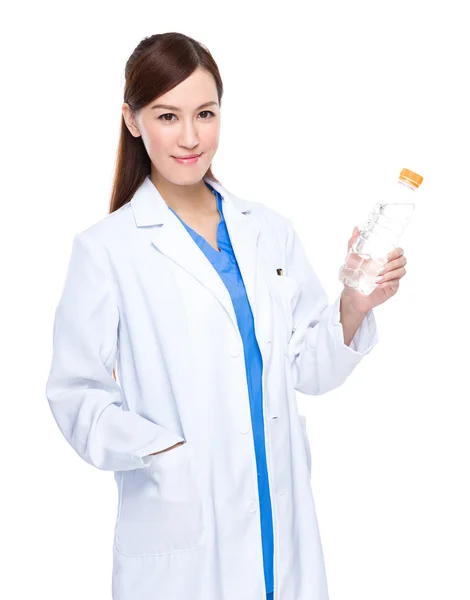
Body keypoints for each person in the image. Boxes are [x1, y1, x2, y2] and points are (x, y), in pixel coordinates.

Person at [45, 31, 408, 600]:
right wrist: (165, 452)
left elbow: (309, 371)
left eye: (205, 113)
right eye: (167, 115)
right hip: (182, 531)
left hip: (277, 521)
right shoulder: (106, 250)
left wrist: (353, 305)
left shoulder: (268, 230)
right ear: (133, 120)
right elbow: (75, 394)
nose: (190, 137)